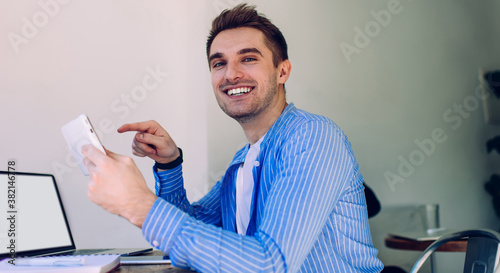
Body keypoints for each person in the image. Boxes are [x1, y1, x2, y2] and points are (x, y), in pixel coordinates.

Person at [82, 4, 383, 272]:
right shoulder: (245, 158)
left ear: (282, 71)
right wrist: (170, 164)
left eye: (248, 58)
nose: (231, 74)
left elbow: (269, 264)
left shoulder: (312, 137)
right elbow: (196, 231)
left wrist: (138, 204)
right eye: (218, 63)